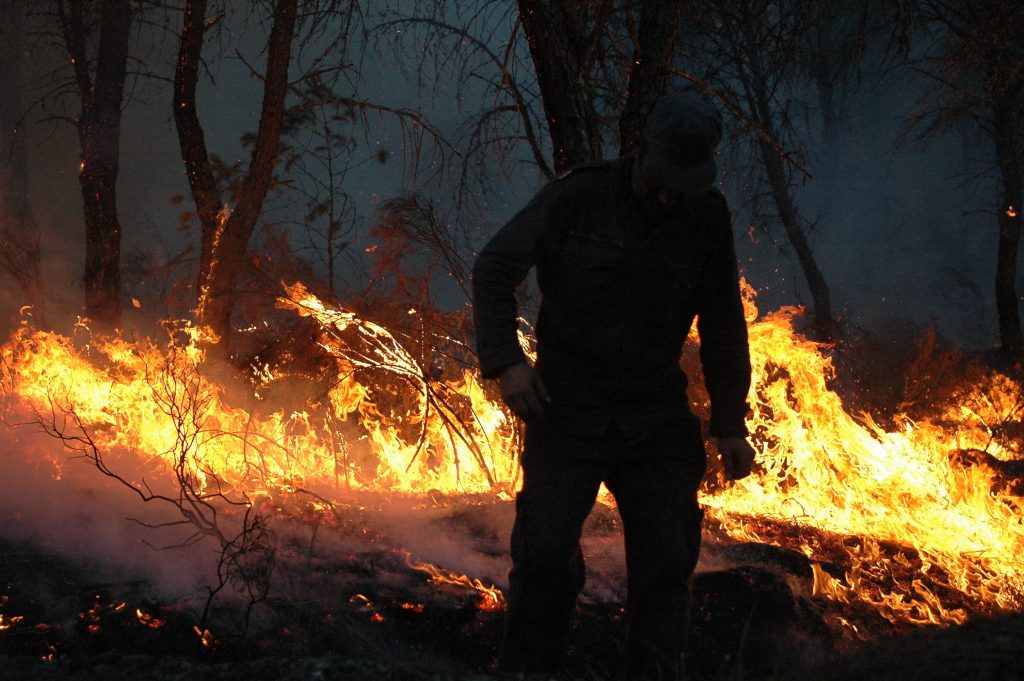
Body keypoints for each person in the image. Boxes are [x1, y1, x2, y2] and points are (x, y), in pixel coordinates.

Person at [471, 91, 756, 680]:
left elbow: (724, 320)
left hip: (654, 419)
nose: (672, 193)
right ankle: (529, 671)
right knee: (544, 556)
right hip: (567, 410)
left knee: (664, 568)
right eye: (666, 177)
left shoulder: (707, 216)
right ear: (640, 151)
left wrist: (731, 421)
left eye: (688, 180)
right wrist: (507, 361)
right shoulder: (578, 196)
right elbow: (495, 265)